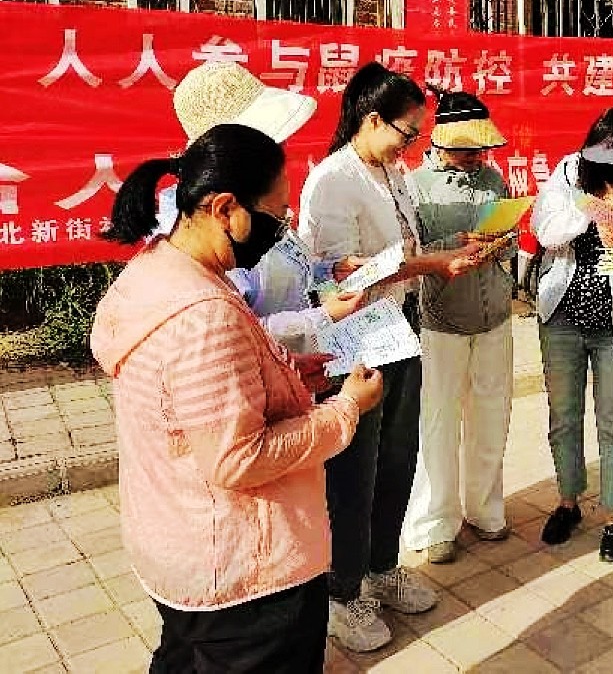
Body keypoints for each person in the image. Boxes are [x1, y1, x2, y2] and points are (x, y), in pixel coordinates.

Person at [91, 124, 383, 673]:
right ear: (225, 208)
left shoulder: (157, 270)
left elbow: (193, 396)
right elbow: (237, 458)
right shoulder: (204, 315)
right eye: (275, 215)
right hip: (242, 574)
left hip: (177, 544)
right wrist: (346, 410)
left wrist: (287, 373)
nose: (281, 229)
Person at [298, 62, 480, 653]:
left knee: (398, 457)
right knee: (355, 468)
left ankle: (381, 566)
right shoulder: (333, 179)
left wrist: (445, 251)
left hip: (399, 326)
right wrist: (431, 265)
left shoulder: (392, 171)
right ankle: (342, 591)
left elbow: (402, 249)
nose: (412, 143)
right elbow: (339, 274)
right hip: (354, 337)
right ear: (372, 119)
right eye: (407, 131)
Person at [160, 60, 365, 353]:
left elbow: (280, 275)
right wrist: (321, 317)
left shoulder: (251, 197)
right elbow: (230, 332)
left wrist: (328, 271)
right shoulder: (200, 231)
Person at [531, 108, 613, 563]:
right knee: (564, 415)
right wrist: (589, 215)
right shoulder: (568, 173)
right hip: (562, 317)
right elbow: (543, 230)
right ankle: (568, 501)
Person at [402, 90, 516, 564]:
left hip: (496, 317)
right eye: (467, 148)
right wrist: (458, 243)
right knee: (438, 423)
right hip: (441, 320)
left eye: (480, 147)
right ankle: (435, 524)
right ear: (441, 141)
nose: (476, 156)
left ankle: (485, 509)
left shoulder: (495, 180)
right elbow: (411, 255)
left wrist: (501, 241)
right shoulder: (415, 187)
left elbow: (511, 242)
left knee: (491, 415)